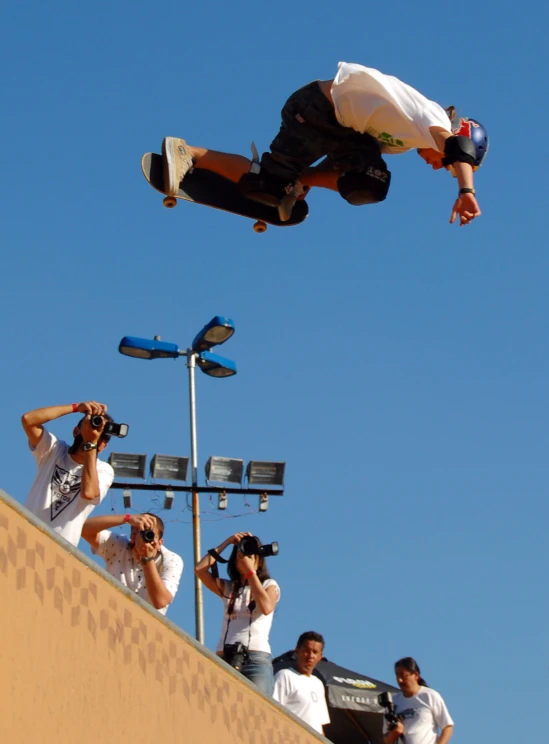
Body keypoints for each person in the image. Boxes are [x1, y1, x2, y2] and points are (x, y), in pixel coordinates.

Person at [162, 61, 488, 227]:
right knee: (272, 184)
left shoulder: (402, 142)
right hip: (317, 106)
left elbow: (347, 158)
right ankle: (191, 153)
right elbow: (458, 150)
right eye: (442, 164)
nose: (435, 166)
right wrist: (466, 192)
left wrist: (304, 182)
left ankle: (282, 181)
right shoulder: (434, 120)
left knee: (368, 182)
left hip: (340, 129)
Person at [195, 531, 280, 696]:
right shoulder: (229, 588)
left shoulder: (269, 585)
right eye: (241, 555)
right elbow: (200, 570)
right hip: (224, 656)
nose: (246, 558)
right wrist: (227, 542)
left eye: (251, 554)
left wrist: (250, 574)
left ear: (259, 558)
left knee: (258, 711)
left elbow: (266, 607)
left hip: (255, 659)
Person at [22, 401, 114, 547]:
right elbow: (28, 420)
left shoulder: (104, 470)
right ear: (76, 431)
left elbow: (89, 493)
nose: (96, 435)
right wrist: (75, 408)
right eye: (90, 427)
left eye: (103, 436)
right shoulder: (54, 449)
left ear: (104, 446)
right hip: (24, 537)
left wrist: (91, 442)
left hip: (59, 552)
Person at [81, 511, 183, 614]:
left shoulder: (171, 560)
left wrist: (147, 560)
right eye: (138, 533)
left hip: (145, 627)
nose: (143, 538)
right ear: (132, 536)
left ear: (160, 542)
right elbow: (83, 529)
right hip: (110, 616)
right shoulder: (119, 546)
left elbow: (160, 601)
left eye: (149, 534)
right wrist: (127, 518)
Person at [383, 657, 454, 744]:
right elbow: (385, 739)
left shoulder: (429, 696)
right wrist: (395, 732)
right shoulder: (392, 703)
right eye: (397, 676)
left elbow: (447, 727)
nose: (399, 680)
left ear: (416, 675)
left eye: (403, 675)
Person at [273, 631, 330, 735]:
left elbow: (319, 724)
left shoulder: (318, 684)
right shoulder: (285, 676)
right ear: (297, 651)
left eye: (315, 652)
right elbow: (274, 712)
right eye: (306, 651)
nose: (310, 656)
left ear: (320, 656)